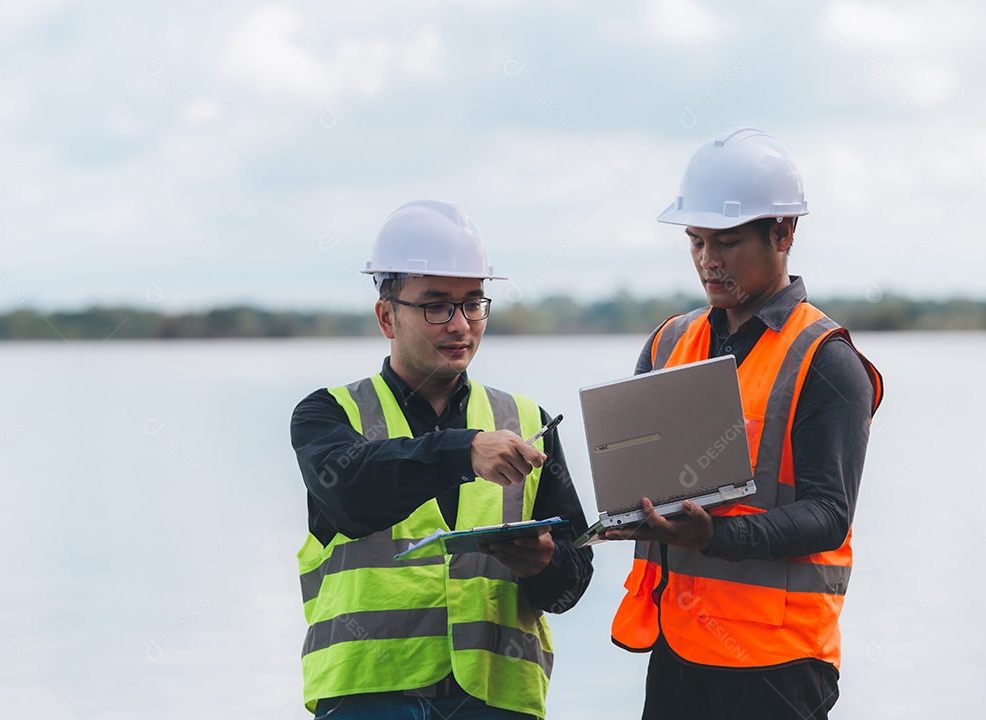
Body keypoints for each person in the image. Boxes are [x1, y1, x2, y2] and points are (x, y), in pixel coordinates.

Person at [602, 128, 883, 719]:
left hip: (778, 665)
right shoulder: (668, 342)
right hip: (676, 647)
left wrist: (714, 537)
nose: (708, 261)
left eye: (726, 242)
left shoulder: (826, 361)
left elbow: (828, 516)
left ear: (783, 232)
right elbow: (636, 473)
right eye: (696, 242)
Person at [291, 199, 594, 719]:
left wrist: (544, 562)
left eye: (473, 303)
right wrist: (463, 450)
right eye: (436, 306)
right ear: (387, 316)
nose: (460, 325)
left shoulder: (525, 417)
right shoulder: (327, 415)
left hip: (499, 700)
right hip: (368, 698)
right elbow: (353, 498)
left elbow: (571, 584)